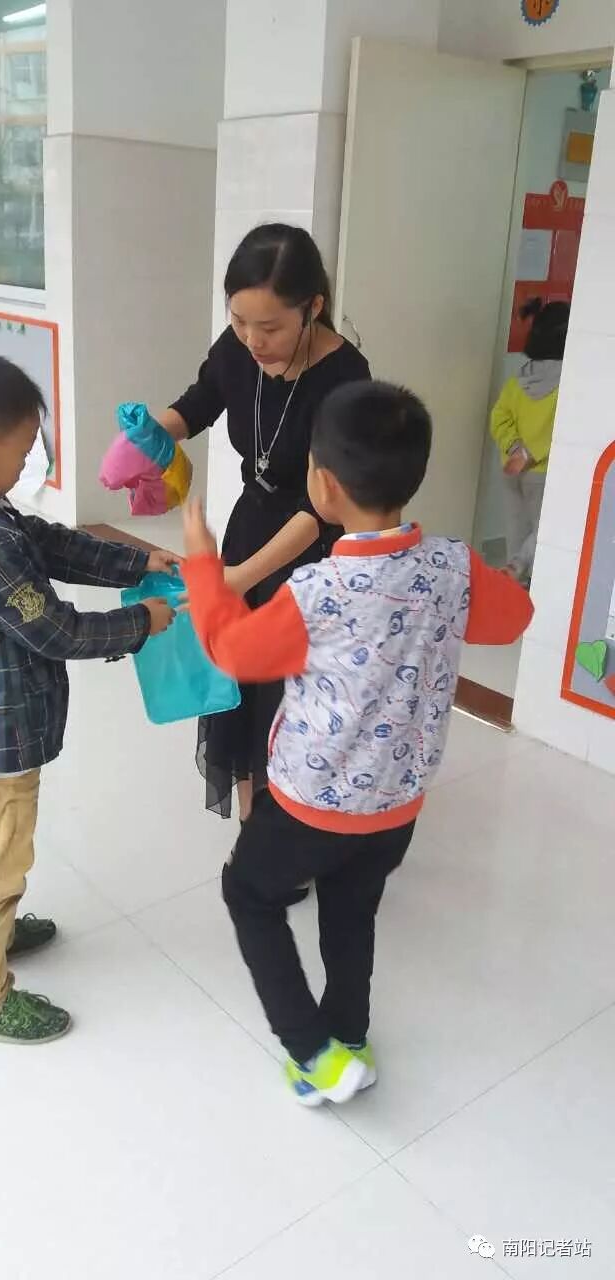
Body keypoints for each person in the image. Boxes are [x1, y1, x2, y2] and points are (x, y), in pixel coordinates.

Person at [182, 380, 533, 1106]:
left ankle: (314, 1052)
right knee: (351, 909)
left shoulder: (318, 592)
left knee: (249, 894)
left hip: (310, 805)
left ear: (324, 485)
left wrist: (202, 567)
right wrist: (471, 581)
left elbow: (229, 650)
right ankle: (349, 1034)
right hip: (396, 807)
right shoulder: (452, 566)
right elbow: (514, 618)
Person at [0, 351, 177, 1045]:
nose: (32, 462)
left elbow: (49, 545)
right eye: (26, 449)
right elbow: (55, 631)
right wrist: (141, 622)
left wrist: (135, 559)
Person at [155, 223, 370, 823]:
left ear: (313, 308)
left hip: (312, 549)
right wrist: (148, 436)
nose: (252, 339)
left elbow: (322, 506)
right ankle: (256, 823)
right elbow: (199, 402)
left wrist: (238, 578)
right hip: (252, 526)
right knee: (242, 687)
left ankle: (291, 823)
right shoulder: (239, 346)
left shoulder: (346, 376)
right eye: (239, 321)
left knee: (288, 692)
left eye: (270, 327)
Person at [490, 297, 570, 586]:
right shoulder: (569, 382)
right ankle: (520, 567)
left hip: (511, 470)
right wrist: (531, 453)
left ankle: (513, 581)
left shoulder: (519, 378)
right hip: (543, 471)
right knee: (545, 530)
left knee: (516, 529)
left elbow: (499, 417)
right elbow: (561, 428)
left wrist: (515, 449)